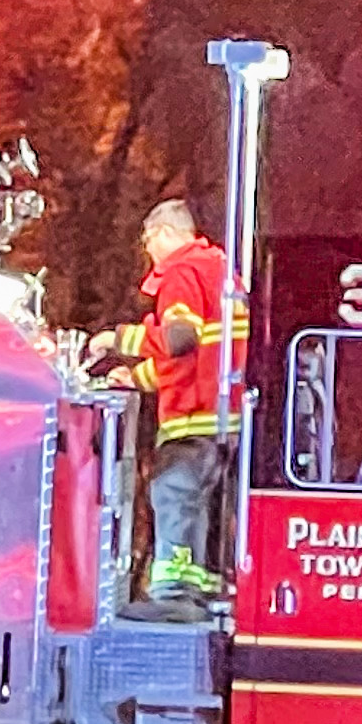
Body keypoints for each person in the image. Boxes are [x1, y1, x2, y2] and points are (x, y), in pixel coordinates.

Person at [97, 197, 240, 614]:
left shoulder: (182, 272)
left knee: (173, 497)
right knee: (203, 510)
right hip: (220, 418)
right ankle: (201, 593)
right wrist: (137, 377)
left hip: (192, 419)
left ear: (163, 234)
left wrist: (116, 340)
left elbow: (180, 340)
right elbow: (200, 360)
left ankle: (174, 599)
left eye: (148, 242)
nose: (148, 252)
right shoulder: (219, 272)